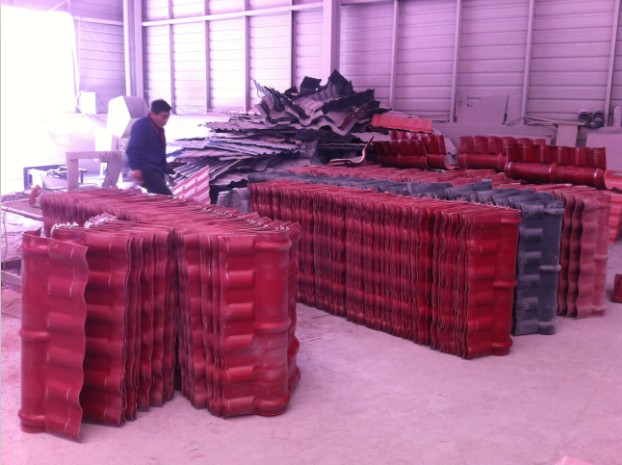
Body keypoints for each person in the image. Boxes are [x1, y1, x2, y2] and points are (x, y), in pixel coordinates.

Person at [126, 99, 173, 195]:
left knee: (158, 197)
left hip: (157, 170)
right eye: (163, 117)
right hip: (146, 169)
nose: (165, 121)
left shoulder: (159, 129)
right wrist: (136, 168)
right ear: (153, 114)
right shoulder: (141, 126)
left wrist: (165, 169)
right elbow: (133, 149)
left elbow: (160, 152)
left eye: (167, 117)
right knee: (166, 196)